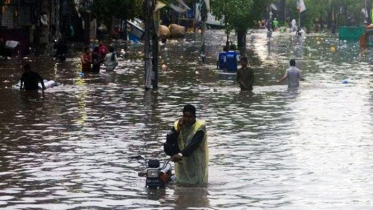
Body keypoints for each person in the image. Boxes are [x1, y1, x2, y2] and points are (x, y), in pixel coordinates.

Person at [164, 104, 208, 185]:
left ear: (195, 117)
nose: (187, 119)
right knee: (181, 185)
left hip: (196, 161)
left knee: (197, 187)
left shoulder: (200, 127)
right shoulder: (178, 125)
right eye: (185, 116)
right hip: (181, 162)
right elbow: (169, 141)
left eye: (190, 117)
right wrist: (177, 131)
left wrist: (181, 154)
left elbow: (193, 144)